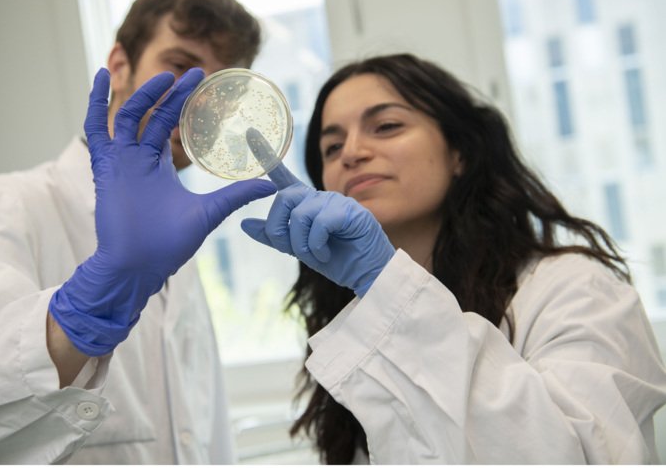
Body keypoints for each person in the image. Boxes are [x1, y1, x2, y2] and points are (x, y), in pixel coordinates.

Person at [0, 0, 276, 463]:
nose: (199, 104)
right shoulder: (10, 205)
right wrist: (80, 316)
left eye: (221, 93)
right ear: (119, 65)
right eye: (179, 67)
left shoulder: (180, 243)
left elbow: (202, 432)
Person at [241, 53, 666, 463]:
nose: (351, 152)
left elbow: (572, 456)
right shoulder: (350, 322)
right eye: (332, 148)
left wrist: (386, 286)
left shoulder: (576, 291)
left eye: (386, 126)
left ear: (459, 153)